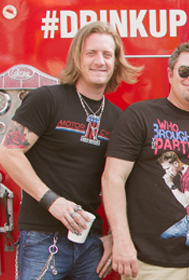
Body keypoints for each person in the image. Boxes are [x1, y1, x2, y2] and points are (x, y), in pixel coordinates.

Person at [0, 21, 142, 279]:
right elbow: (8, 153)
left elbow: (120, 181)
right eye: (91, 53)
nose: (100, 61)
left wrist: (112, 234)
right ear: (77, 57)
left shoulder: (118, 119)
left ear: (116, 62)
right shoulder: (47, 99)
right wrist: (51, 201)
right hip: (42, 239)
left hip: (91, 244)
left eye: (107, 55)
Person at [101, 41, 189, 280]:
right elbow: (112, 178)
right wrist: (121, 240)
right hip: (150, 263)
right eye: (184, 71)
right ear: (170, 74)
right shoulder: (139, 116)